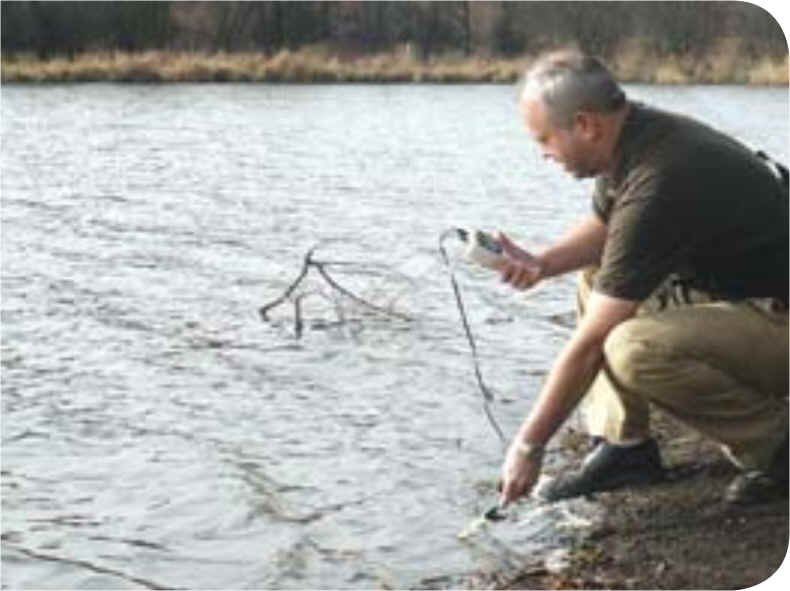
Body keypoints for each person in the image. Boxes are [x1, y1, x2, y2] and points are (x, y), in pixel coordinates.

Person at [496, 50, 788, 508]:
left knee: (632, 348)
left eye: (544, 139)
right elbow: (608, 227)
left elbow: (591, 343)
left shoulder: (661, 174)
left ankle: (776, 447)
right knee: (599, 276)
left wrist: (528, 446)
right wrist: (542, 263)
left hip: (778, 314)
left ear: (585, 125)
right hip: (745, 296)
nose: (543, 155)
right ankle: (625, 449)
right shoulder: (634, 136)